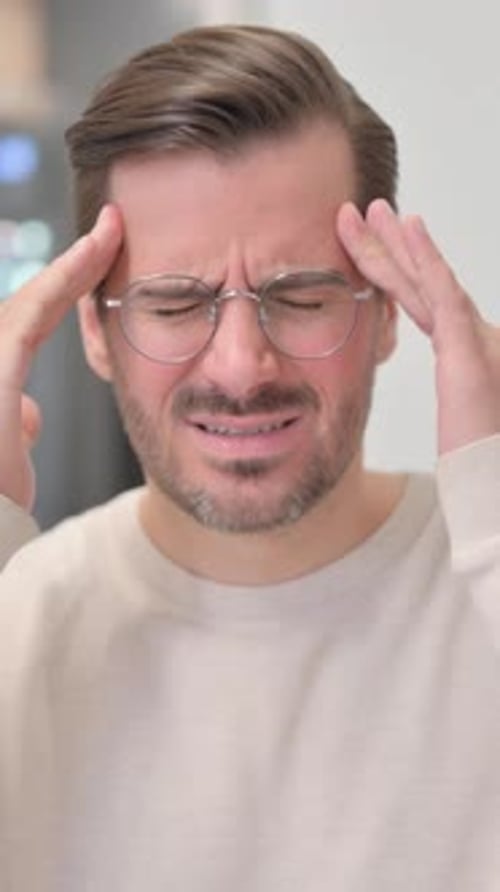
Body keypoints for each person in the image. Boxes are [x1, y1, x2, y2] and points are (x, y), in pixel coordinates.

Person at [0, 23, 499, 892]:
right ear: (95, 331)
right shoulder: (22, 622)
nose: (240, 368)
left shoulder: (484, 584)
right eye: (173, 303)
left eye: (301, 296)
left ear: (387, 311)